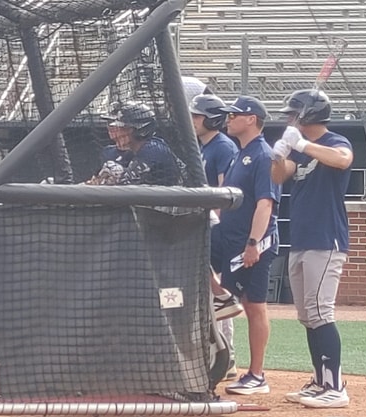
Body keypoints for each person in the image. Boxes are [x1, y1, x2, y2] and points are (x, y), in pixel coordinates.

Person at [271, 89, 353, 408]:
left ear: (307, 116)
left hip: (325, 238)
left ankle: (335, 386)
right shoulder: (299, 151)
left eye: (293, 114)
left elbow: (343, 160)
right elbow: (278, 176)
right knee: (307, 316)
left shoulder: (334, 142)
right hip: (302, 239)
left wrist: (302, 144)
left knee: (321, 311)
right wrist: (279, 153)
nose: (289, 119)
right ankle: (320, 381)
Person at [210, 95, 281, 395]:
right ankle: (221, 299)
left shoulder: (263, 155)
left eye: (234, 114)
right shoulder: (240, 153)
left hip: (250, 245)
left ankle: (257, 374)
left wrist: (253, 243)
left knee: (255, 306)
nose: (228, 118)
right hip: (230, 241)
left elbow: (265, 203)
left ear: (251, 119)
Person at [189, 93, 241, 380]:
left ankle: (228, 356)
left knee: (219, 297)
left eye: (198, 117)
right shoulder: (203, 146)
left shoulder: (222, 146)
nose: (195, 121)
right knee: (209, 296)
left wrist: (214, 225)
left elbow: (224, 191)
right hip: (205, 225)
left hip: (217, 228)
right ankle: (218, 354)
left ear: (213, 119)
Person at [88, 101, 184, 186]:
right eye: (110, 125)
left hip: (172, 203)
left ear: (139, 129)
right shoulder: (111, 152)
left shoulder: (155, 149)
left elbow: (126, 184)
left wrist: (114, 174)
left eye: (121, 127)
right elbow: (94, 183)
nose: (113, 131)